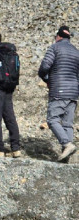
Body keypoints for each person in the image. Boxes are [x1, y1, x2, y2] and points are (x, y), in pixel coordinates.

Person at [38, 26, 79, 162]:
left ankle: (66, 144)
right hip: (73, 93)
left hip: (59, 90)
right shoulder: (75, 51)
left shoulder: (55, 48)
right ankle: (69, 158)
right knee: (67, 124)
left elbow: (44, 67)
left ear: (58, 36)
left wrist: (45, 78)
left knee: (52, 119)